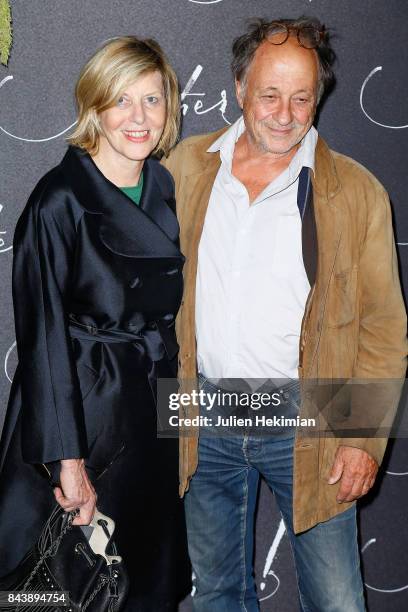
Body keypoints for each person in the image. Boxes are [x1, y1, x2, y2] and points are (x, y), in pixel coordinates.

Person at [163, 16, 407, 612]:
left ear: (317, 99)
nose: (284, 113)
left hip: (313, 410)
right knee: (216, 594)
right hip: (200, 405)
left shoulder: (357, 192)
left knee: (338, 601)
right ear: (240, 87)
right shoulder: (183, 169)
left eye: (301, 98)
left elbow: (383, 326)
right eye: (269, 94)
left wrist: (362, 437)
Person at [0, 36, 190, 611]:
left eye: (152, 101)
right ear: (95, 107)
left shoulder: (162, 186)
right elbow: (43, 344)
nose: (139, 118)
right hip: (82, 417)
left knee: (144, 586)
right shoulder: (59, 200)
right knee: (70, 587)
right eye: (122, 100)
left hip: (148, 417)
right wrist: (69, 465)